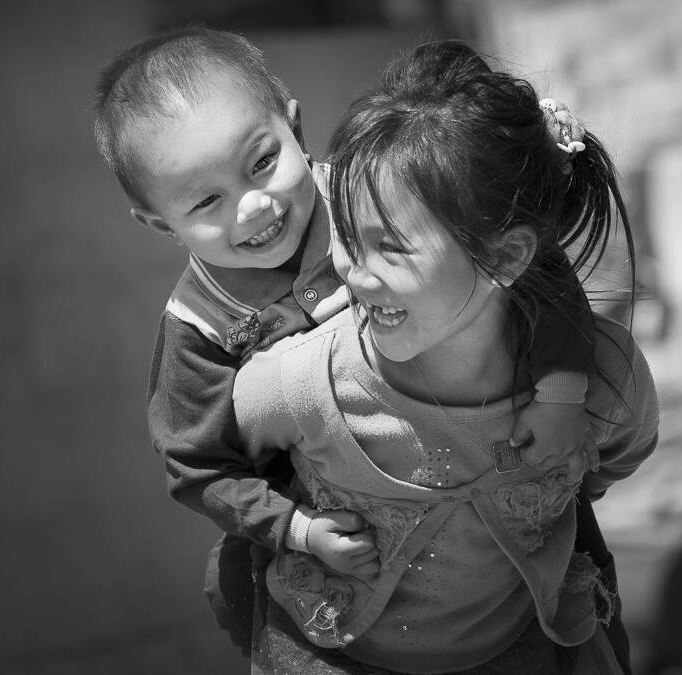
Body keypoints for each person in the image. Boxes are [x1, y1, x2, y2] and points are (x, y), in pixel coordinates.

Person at [92, 27, 611, 659]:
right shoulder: (198, 325)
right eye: (206, 201)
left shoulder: (375, 193)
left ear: (295, 127)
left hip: (495, 464)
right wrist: (298, 530)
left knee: (581, 592)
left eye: (262, 162)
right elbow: (197, 465)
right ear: (158, 224)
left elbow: (532, 268)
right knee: (263, 602)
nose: (253, 206)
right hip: (345, 546)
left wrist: (560, 391)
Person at [232, 40, 659, 674]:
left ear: (506, 257)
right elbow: (224, 456)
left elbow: (612, 457)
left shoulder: (604, 378)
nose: (354, 273)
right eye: (346, 237)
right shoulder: (298, 383)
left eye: (390, 246)